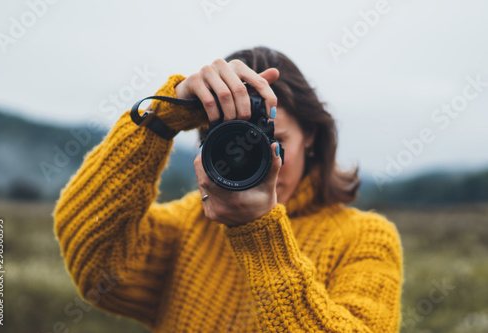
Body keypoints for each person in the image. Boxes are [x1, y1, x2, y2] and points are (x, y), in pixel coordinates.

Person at [53, 46, 403, 332]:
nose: (263, 160)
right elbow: (94, 264)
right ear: (210, 144)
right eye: (239, 144)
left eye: (274, 140)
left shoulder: (365, 240)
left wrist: (260, 234)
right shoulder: (187, 225)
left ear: (310, 136)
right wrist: (163, 118)